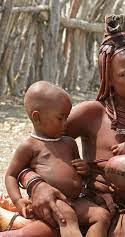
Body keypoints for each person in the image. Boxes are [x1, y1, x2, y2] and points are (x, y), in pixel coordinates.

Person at [0, 15, 125, 237]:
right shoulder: (93, 114)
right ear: (109, 79)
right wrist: (36, 184)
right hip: (91, 213)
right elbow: (39, 144)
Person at [3, 81, 112, 237]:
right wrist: (18, 200)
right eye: (60, 118)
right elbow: (11, 175)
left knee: (102, 216)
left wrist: (84, 169)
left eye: (67, 118)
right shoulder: (30, 146)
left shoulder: (69, 143)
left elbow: (77, 172)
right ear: (37, 117)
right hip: (49, 203)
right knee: (67, 216)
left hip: (75, 200)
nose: (65, 123)